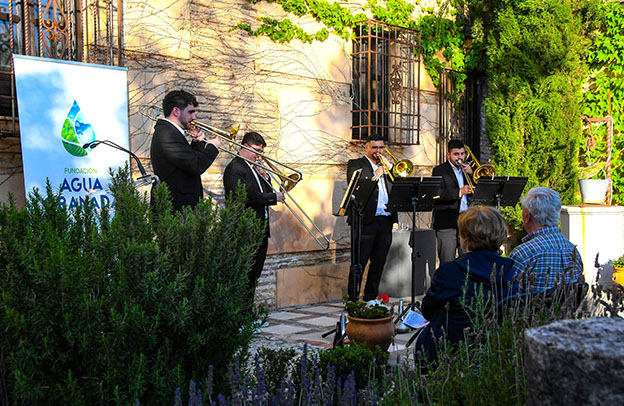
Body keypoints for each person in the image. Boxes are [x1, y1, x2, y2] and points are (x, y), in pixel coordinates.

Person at [415, 206, 516, 362]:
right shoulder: (512, 269)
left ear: (464, 237)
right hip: (496, 348)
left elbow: (428, 311)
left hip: (451, 351)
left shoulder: (449, 272)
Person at [223, 131, 285, 308]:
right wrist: (273, 198)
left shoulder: (253, 168)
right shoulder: (235, 168)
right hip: (246, 229)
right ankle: (241, 316)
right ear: (244, 146)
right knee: (245, 274)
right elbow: (245, 197)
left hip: (260, 228)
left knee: (254, 274)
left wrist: (265, 177)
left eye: (261, 152)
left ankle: (247, 313)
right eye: (256, 150)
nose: (259, 156)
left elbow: (263, 191)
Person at [150, 90, 221, 212]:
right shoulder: (167, 134)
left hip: (181, 207)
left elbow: (186, 165)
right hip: (175, 209)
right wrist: (212, 148)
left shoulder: (171, 132)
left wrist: (197, 144)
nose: (194, 117)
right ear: (176, 111)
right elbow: (196, 166)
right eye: (190, 112)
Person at [346, 134, 398, 301]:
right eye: (374, 147)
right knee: (359, 264)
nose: (378, 151)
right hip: (364, 222)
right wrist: (376, 174)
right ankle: (353, 301)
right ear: (366, 147)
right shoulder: (356, 164)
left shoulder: (388, 167)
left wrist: (391, 171)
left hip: (385, 221)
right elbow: (356, 188)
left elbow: (398, 187)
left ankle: (370, 299)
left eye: (381, 147)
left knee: (378, 263)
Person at [509, 187, 583, 294]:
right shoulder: (573, 252)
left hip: (530, 310)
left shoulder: (522, 253)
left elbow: (507, 297)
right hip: (566, 310)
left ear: (526, 216)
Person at [432, 139, 473, 263]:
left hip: (466, 221)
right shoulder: (439, 170)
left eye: (462, 154)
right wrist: (459, 192)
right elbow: (437, 194)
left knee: (467, 260)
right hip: (447, 222)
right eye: (456, 154)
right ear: (448, 154)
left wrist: (471, 174)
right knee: (447, 260)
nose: (460, 158)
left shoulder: (468, 170)